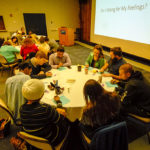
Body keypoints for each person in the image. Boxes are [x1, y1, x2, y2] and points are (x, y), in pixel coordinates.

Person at [20, 79, 69, 147]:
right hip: (48, 140)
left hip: (31, 140)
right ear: (42, 94)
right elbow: (60, 119)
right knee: (65, 120)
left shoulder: (22, 108)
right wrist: (59, 103)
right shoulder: (45, 109)